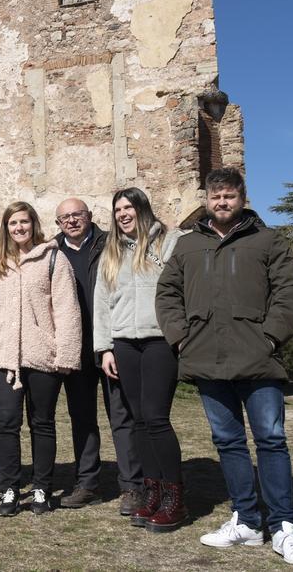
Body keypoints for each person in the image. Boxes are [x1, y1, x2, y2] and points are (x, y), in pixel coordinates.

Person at [156, 168, 293, 566]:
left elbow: (292, 291)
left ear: (242, 197)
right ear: (206, 199)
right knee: (227, 443)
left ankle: (283, 527)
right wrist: (181, 337)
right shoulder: (189, 245)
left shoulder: (267, 240)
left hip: (258, 359)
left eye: (229, 196)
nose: (221, 202)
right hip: (207, 359)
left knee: (271, 441)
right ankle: (246, 520)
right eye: (215, 196)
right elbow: (167, 294)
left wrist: (271, 337)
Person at [92, 188, 185, 531]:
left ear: (142, 208)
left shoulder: (168, 243)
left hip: (159, 341)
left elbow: (181, 285)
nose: (122, 214)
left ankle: (174, 497)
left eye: (128, 207)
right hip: (124, 345)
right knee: (138, 421)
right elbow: (102, 302)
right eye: (118, 210)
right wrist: (104, 348)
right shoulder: (112, 253)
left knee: (157, 418)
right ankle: (152, 492)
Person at [0, 202, 82, 516]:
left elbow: (67, 310)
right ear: (6, 228)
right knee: (6, 423)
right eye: (12, 223)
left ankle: (42, 488)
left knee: (42, 423)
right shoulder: (1, 260)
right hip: (4, 356)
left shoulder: (54, 258)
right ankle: (10, 489)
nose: (18, 228)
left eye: (23, 222)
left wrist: (66, 353)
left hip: (42, 355)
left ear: (33, 224)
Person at [54, 197, 142, 514]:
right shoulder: (53, 251)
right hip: (75, 348)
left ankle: (132, 486)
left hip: (112, 343)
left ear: (90, 217)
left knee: (121, 416)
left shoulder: (112, 244)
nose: (72, 221)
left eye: (78, 215)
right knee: (82, 418)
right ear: (58, 223)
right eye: (65, 217)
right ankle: (87, 483)